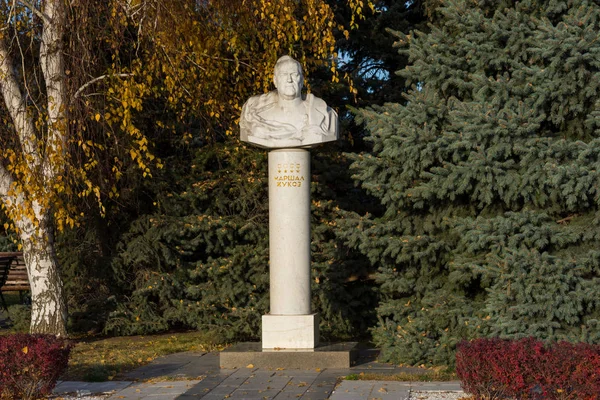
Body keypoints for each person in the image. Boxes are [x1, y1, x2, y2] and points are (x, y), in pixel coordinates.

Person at [240, 56, 338, 148]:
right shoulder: (254, 113)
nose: (289, 79)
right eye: (283, 75)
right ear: (275, 81)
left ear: (302, 80)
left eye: (294, 74)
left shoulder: (324, 113)